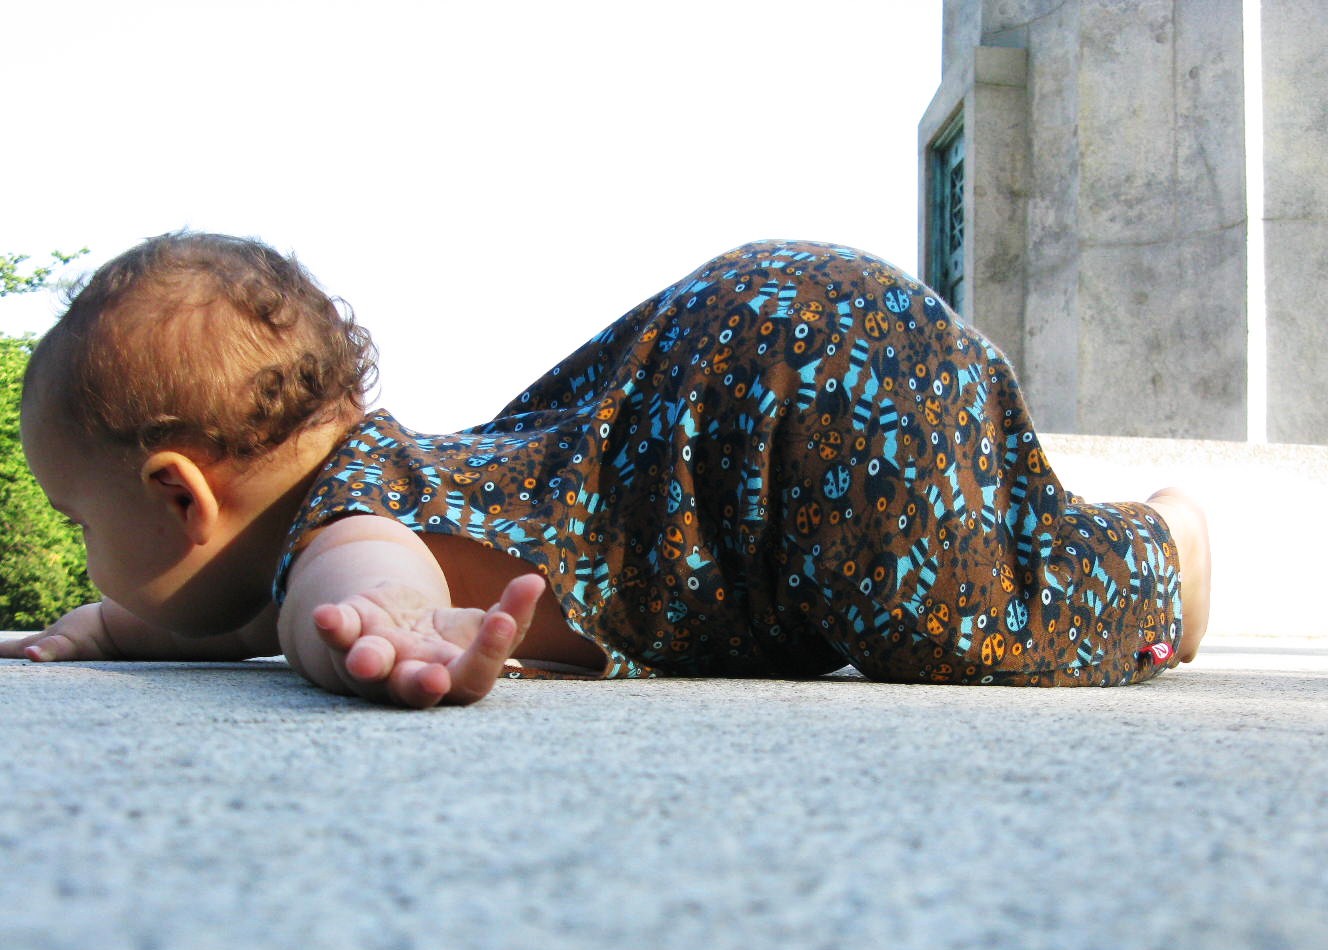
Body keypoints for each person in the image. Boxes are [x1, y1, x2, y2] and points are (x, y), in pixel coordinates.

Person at [0, 233, 1209, 707]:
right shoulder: (337, 508)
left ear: (178, 492)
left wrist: (398, 627)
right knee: (962, 554)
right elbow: (234, 610)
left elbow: (346, 592)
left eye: (77, 518)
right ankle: (1092, 532)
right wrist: (111, 627)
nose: (84, 549)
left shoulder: (346, 532)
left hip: (792, 400)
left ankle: (1168, 556)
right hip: (762, 358)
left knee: (956, 623)